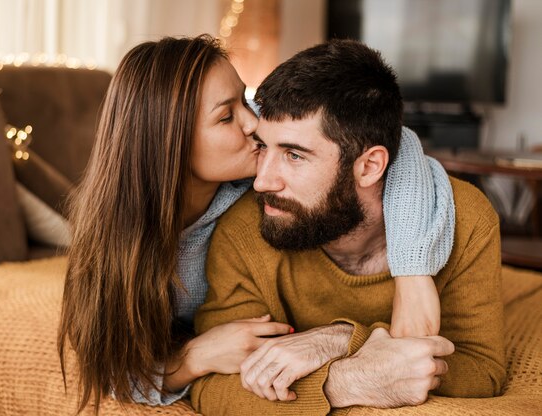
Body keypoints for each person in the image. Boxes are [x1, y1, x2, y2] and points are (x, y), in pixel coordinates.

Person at [56, 35, 454, 412]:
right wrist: (195, 357)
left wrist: (413, 271)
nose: (254, 124)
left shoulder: (258, 177)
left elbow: (396, 142)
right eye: (227, 116)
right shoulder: (115, 242)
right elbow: (113, 372)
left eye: (245, 99)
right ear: (169, 141)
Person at [191, 38, 506, 415]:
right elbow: (213, 387)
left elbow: (483, 368)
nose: (262, 181)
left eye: (293, 155)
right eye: (264, 147)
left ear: (370, 166)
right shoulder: (244, 228)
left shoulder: (467, 218)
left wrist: (339, 339)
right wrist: (345, 381)